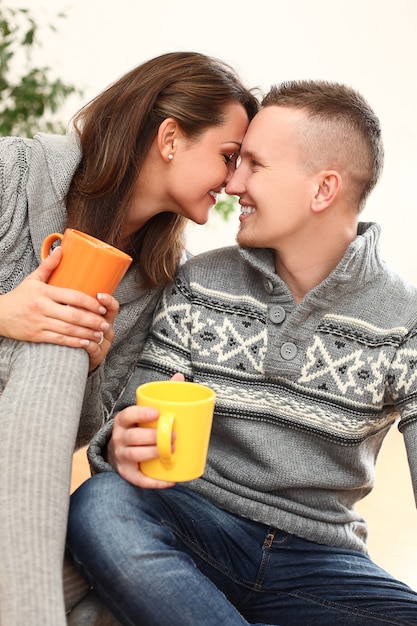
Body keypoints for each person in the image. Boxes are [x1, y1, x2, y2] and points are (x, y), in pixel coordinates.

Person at [67, 79, 417, 625]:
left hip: (321, 562)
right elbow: (132, 419)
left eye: (254, 164)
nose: (232, 183)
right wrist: (123, 445)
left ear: (323, 190)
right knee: (101, 506)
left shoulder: (406, 323)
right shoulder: (199, 282)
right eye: (235, 162)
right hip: (192, 520)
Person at [0, 50, 258, 626]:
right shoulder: (14, 172)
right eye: (229, 157)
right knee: (61, 335)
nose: (235, 182)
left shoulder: (159, 280)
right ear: (171, 137)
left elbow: (82, 430)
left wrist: (92, 364)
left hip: (14, 490)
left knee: (110, 595)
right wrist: (6, 313)